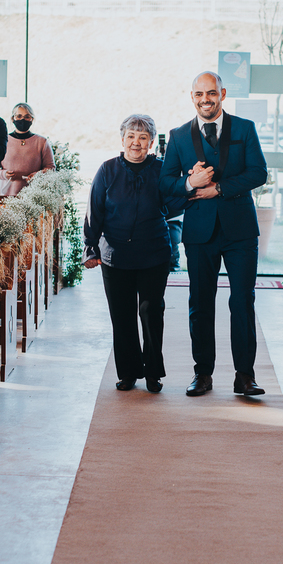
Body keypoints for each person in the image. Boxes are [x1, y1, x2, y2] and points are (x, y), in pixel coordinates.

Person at [160, 71, 268, 397]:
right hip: (199, 232)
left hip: (240, 231)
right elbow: (166, 184)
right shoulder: (179, 136)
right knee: (201, 304)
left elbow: (258, 172)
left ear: (222, 93)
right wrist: (189, 184)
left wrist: (218, 188)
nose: (205, 99)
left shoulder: (245, 129)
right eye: (199, 94)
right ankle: (202, 374)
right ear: (191, 96)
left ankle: (245, 376)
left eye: (211, 93)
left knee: (242, 302)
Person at [84, 115, 188, 393]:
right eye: (131, 136)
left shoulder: (162, 169)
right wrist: (90, 248)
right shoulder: (107, 170)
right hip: (115, 255)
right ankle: (128, 372)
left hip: (153, 252)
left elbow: (177, 203)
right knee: (122, 315)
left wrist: (190, 184)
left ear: (151, 142)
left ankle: (153, 372)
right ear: (122, 140)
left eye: (143, 138)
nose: (136, 143)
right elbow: (95, 211)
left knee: (152, 313)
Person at [0, 102, 55, 198]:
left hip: (34, 196)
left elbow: (51, 168)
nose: (22, 119)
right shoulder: (3, 140)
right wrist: (4, 174)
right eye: (19, 116)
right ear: (13, 119)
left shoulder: (42, 142)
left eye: (27, 116)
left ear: (32, 119)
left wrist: (38, 175)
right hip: (7, 196)